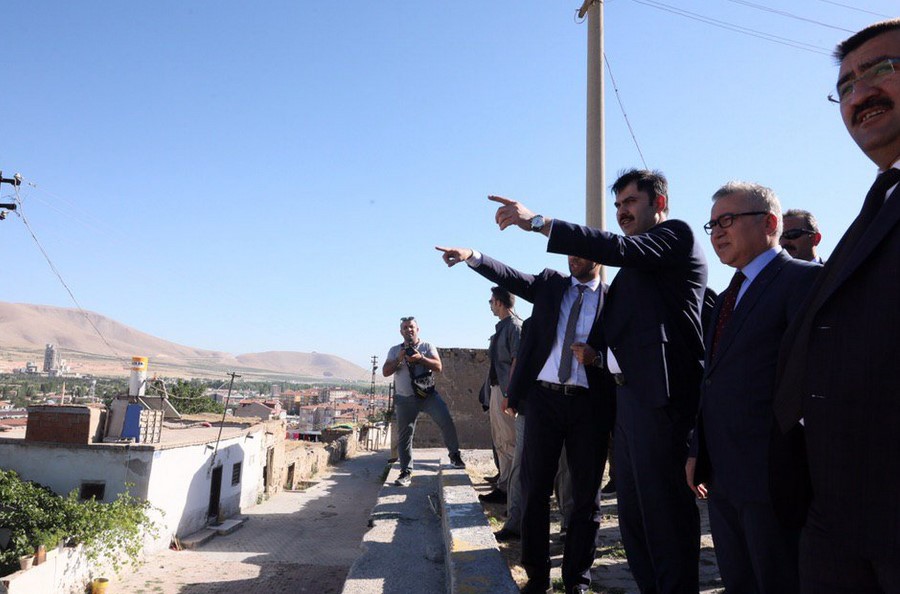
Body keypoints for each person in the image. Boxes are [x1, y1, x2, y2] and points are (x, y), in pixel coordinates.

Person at [489, 168, 707, 593]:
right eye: (618, 204)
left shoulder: (676, 237)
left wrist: (539, 223)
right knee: (634, 523)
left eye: (631, 202)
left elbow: (617, 249)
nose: (622, 211)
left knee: (664, 521)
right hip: (628, 407)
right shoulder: (631, 273)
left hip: (663, 405)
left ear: (659, 203)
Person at [773, 19, 900, 592]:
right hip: (838, 501)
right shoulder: (876, 206)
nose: (859, 93)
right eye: (845, 86)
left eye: (882, 69)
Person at [436, 246, 615, 594]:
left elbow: (629, 347)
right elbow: (509, 276)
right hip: (544, 402)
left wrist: (598, 357)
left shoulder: (614, 299)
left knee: (585, 498)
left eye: (579, 253)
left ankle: (577, 579)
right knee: (534, 490)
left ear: (598, 256)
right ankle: (536, 576)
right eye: (569, 253)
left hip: (589, 406)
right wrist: (472, 256)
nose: (572, 258)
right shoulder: (550, 285)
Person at [686, 182, 820, 593]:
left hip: (775, 477)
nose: (717, 232)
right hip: (723, 477)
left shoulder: (804, 281)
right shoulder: (729, 295)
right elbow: (713, 378)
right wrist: (698, 450)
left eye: (727, 220)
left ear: (770, 223)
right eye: (712, 225)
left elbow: (815, 380)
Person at [382, 316, 465, 487]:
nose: (408, 330)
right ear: (401, 332)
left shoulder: (427, 347)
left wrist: (420, 358)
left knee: (446, 421)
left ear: (417, 329)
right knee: (405, 436)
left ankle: (455, 456)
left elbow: (438, 367)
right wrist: (399, 359)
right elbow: (385, 372)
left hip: (428, 396)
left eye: (411, 327)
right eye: (405, 328)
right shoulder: (394, 350)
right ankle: (405, 472)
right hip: (405, 399)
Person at [477, 287, 522, 505]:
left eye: (491, 301)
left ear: (499, 303)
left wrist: (510, 394)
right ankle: (504, 485)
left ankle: (509, 491)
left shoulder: (514, 327)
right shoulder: (504, 327)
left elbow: (517, 361)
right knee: (501, 441)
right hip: (497, 390)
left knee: (509, 441)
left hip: (506, 392)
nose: (490, 305)